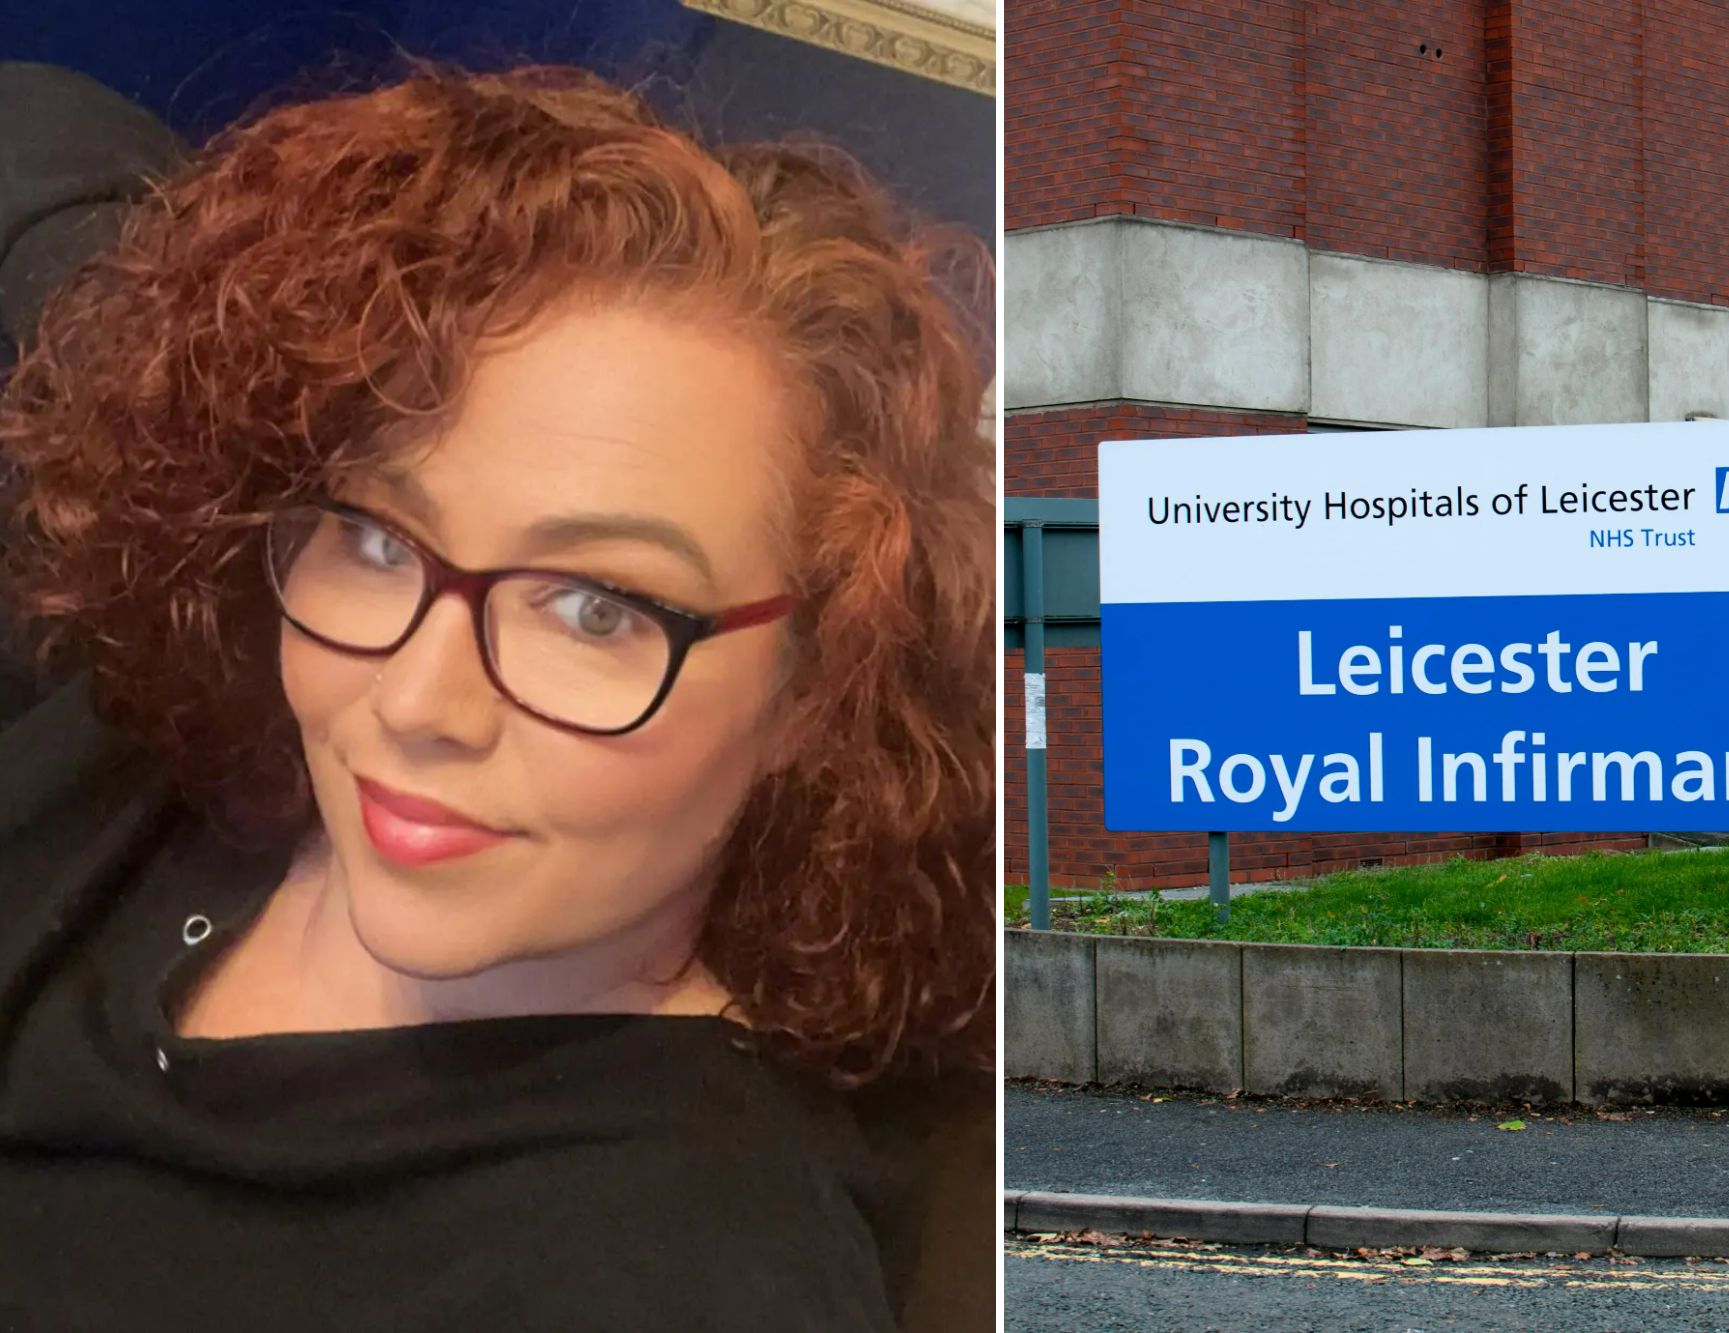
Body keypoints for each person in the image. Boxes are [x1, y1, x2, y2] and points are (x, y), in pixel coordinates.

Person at [0, 64, 993, 1329]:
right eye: (373, 534)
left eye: (597, 608)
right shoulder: (194, 713)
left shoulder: (676, 1268)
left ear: (820, 680)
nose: (416, 703)